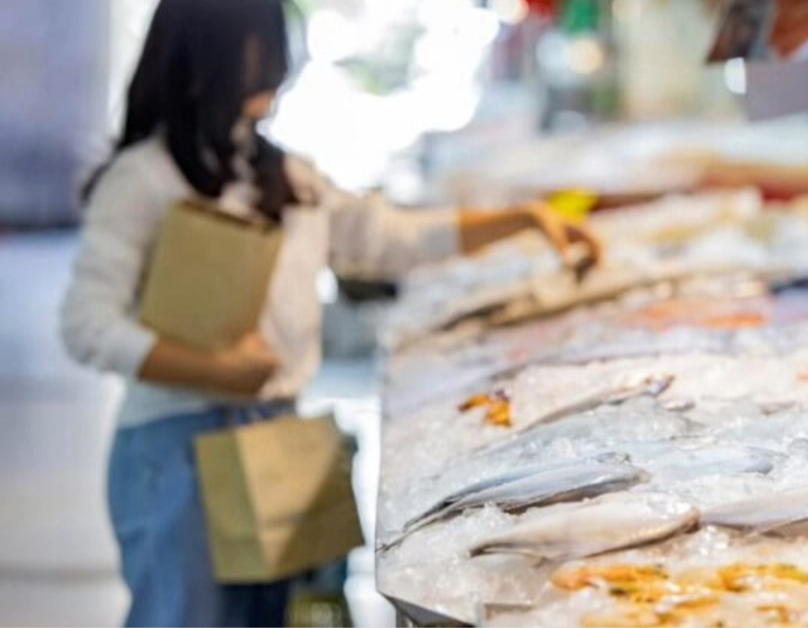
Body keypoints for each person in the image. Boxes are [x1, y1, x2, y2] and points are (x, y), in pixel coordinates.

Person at [59, 0, 602, 626]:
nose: (272, 67)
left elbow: (390, 239)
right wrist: (214, 370)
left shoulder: (284, 175)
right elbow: (86, 325)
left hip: (278, 435)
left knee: (285, 615)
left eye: (273, 47)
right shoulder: (142, 180)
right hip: (175, 448)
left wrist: (524, 220)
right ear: (200, 55)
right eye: (255, 48)